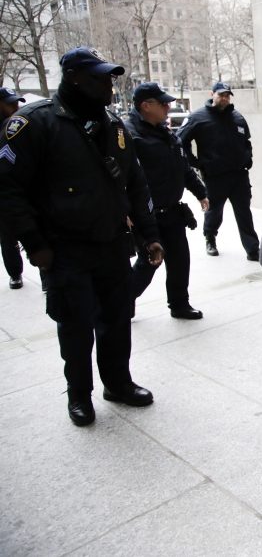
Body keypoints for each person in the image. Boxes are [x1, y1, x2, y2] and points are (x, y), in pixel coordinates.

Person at [0, 46, 163, 426]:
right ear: (74, 77)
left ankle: (117, 383)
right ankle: (79, 395)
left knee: (117, 320)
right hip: (63, 250)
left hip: (111, 245)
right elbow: (7, 190)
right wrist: (34, 243)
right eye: (100, 77)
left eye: (110, 77)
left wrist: (148, 234)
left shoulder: (113, 125)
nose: (109, 85)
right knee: (75, 328)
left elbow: (134, 182)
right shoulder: (34, 124)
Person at [126, 82, 209, 320]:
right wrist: (127, 212)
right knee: (149, 263)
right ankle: (123, 301)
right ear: (145, 106)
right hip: (146, 215)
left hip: (172, 211)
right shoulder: (130, 135)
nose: (168, 107)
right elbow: (122, 179)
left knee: (180, 260)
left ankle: (179, 304)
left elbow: (182, 167)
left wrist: (200, 192)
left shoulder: (166, 133)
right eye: (162, 103)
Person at [177, 82, 259, 261]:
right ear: (212, 94)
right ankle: (210, 239)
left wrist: (248, 158)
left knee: (244, 213)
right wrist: (196, 163)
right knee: (214, 212)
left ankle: (253, 249)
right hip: (215, 176)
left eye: (227, 96)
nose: (224, 98)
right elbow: (180, 141)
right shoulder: (198, 117)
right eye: (221, 95)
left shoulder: (237, 117)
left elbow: (247, 141)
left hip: (239, 175)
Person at [0, 87, 26, 289]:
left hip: (26, 186)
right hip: (5, 191)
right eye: (10, 103)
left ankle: (46, 277)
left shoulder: (23, 126)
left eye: (16, 103)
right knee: (8, 236)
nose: (15, 107)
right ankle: (15, 273)